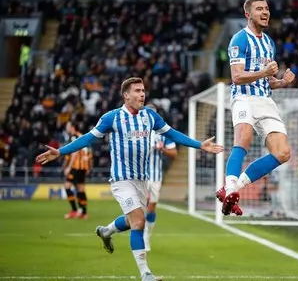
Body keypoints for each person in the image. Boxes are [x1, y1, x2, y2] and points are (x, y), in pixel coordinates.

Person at [36, 77, 223, 281]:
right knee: (139, 221)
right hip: (121, 179)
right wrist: (61, 152)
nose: (142, 94)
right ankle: (145, 274)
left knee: (131, 219)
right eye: (137, 91)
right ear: (126, 95)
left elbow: (173, 134)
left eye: (143, 90)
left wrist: (199, 145)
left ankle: (106, 231)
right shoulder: (112, 118)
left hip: (142, 180)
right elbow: (88, 138)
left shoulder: (150, 116)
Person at [215, 0, 296, 215]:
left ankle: (232, 189)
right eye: (260, 8)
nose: (265, 12)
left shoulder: (269, 43)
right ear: (248, 14)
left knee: (283, 152)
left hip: (265, 100)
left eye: (267, 8)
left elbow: (266, 82)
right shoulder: (239, 39)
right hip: (243, 98)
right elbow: (237, 76)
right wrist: (265, 72)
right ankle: (230, 186)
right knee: (244, 137)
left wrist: (281, 82)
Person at [144, 104, 178, 252]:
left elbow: (174, 154)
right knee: (139, 206)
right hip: (140, 175)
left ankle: (147, 235)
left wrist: (162, 149)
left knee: (151, 206)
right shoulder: (138, 131)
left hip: (156, 176)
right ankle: (140, 236)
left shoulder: (162, 132)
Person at [62, 121, 90, 219]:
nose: (67, 128)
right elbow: (89, 152)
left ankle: (74, 210)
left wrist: (69, 167)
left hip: (76, 167)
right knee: (80, 188)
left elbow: (74, 153)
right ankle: (83, 212)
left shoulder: (73, 137)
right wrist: (88, 166)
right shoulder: (82, 136)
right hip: (83, 167)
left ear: (73, 127)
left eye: (68, 126)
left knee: (67, 186)